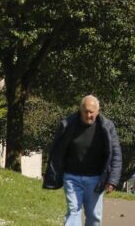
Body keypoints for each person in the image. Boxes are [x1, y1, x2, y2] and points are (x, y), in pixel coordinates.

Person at [43, 95, 122, 226]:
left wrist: (112, 180)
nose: (88, 115)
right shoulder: (68, 125)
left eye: (91, 112)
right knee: (73, 211)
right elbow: (57, 151)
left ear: (98, 110)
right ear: (80, 109)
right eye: (85, 111)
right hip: (71, 178)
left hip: (96, 180)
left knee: (94, 217)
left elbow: (116, 155)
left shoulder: (107, 127)